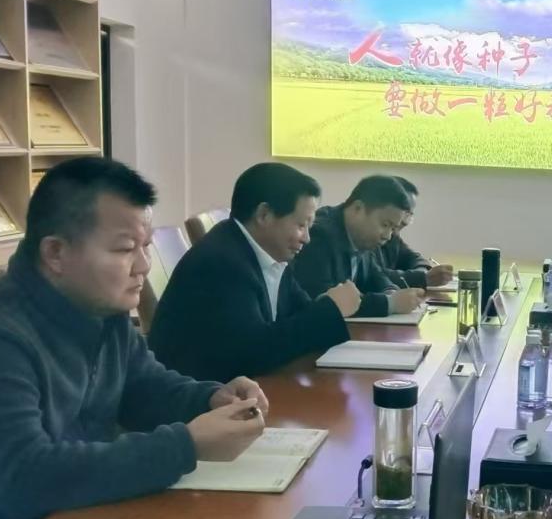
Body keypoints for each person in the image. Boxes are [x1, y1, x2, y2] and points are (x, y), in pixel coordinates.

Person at [0, 158, 267, 519]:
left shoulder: (100, 309)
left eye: (146, 246)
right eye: (125, 249)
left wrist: (210, 398)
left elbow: (143, 386)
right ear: (55, 253)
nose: (143, 266)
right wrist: (185, 445)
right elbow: (25, 479)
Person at [147, 163, 360, 381]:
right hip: (197, 394)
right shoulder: (222, 262)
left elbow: (298, 311)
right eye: (300, 225)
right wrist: (330, 309)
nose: (306, 238)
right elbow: (254, 353)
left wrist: (325, 307)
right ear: (264, 215)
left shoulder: (269, 253)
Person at [292, 175, 427, 318]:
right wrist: (390, 303)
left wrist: (391, 291)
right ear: (358, 208)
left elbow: (375, 275)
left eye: (393, 228)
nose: (387, 236)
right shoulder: (320, 236)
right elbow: (326, 302)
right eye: (385, 225)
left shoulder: (361, 238)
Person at [379, 177, 453, 290]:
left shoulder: (393, 237)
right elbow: (373, 276)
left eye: (409, 214)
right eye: (403, 212)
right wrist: (423, 278)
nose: (404, 222)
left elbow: (415, 258)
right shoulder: (365, 238)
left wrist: (423, 274)